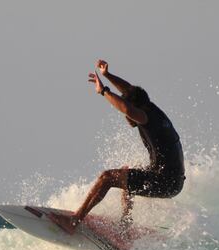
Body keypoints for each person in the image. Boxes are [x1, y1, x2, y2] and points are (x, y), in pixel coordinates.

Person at [50, 59, 185, 233]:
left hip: (165, 183)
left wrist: (103, 91)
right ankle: (125, 223)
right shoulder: (151, 108)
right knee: (125, 172)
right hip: (172, 181)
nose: (127, 117)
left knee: (107, 177)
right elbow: (130, 92)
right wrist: (107, 75)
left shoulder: (145, 117)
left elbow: (128, 109)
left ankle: (74, 221)